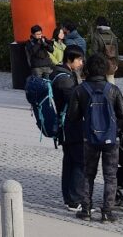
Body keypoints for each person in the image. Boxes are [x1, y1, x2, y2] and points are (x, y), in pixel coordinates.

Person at [65, 53, 123, 223]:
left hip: (89, 138)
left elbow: (72, 117)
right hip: (110, 139)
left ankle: (86, 209)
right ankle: (107, 211)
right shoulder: (113, 89)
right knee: (110, 176)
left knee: (88, 174)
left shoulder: (80, 90)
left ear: (88, 68)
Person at [50, 46, 85, 211]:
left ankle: (69, 197)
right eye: (79, 59)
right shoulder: (65, 79)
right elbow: (74, 101)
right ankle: (75, 200)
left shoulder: (58, 73)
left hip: (64, 126)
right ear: (70, 60)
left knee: (69, 161)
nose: (81, 62)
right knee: (78, 161)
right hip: (70, 125)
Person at [90, 17, 119, 84]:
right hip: (111, 62)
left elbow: (94, 52)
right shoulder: (113, 35)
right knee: (111, 81)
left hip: (99, 64)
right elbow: (116, 51)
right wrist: (116, 63)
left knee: (100, 83)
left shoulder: (96, 36)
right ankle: (112, 94)